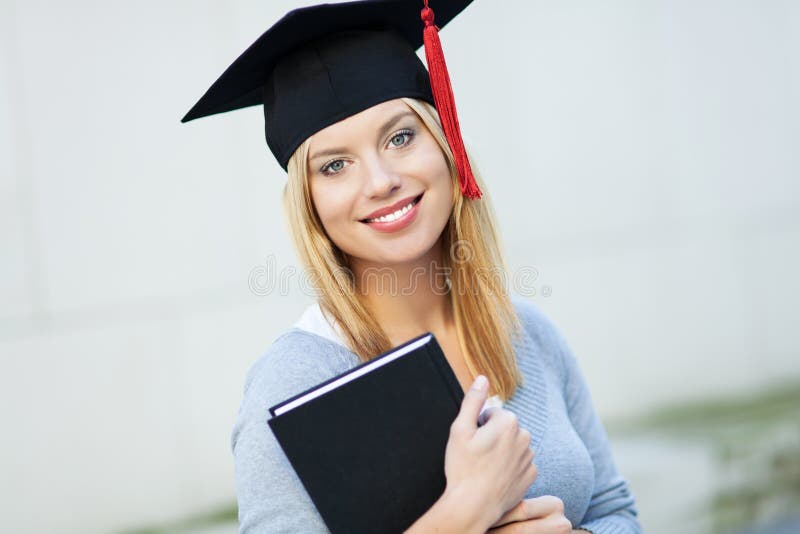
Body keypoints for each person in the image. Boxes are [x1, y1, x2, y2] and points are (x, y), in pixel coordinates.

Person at [182, 1, 642, 532]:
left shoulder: (529, 334)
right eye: (335, 165)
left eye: (400, 137)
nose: (380, 181)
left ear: (445, 144)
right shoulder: (293, 387)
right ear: (309, 203)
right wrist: (465, 511)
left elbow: (615, 512)